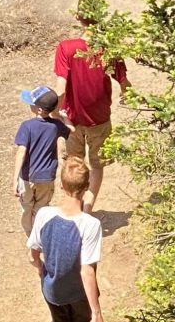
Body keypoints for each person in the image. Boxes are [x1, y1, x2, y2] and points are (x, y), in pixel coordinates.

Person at [28, 155, 104, 322]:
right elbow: (87, 271)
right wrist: (97, 311)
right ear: (86, 189)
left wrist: (41, 269)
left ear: (61, 186)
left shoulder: (44, 215)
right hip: (78, 293)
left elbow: (33, 253)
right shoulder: (90, 225)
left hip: (52, 289)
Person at [52, 28, 128, 212]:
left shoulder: (66, 48)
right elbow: (123, 80)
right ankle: (87, 209)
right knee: (96, 165)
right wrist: (126, 95)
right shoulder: (108, 48)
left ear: (78, 18)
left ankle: (73, 207)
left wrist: (56, 113)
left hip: (73, 118)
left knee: (73, 164)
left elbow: (61, 87)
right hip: (100, 117)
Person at [12, 85, 68, 240]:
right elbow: (72, 130)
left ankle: (30, 235)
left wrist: (15, 179)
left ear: (38, 110)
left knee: (26, 207)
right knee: (41, 207)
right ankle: (39, 234)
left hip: (27, 176)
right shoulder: (56, 126)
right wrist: (63, 117)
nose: (29, 104)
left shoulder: (27, 126)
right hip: (46, 177)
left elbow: (21, 152)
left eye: (31, 103)